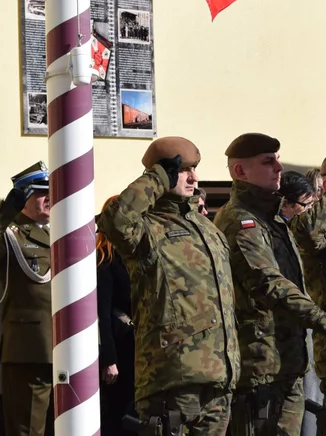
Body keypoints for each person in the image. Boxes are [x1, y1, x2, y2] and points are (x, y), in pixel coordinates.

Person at [215, 135, 326, 436]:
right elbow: (273, 286)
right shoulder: (242, 221)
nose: (279, 167)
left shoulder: (270, 218)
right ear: (240, 172)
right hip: (261, 368)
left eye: (277, 158)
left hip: (286, 362)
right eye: (268, 161)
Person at [97, 137, 239, 435]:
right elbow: (114, 221)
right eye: (182, 169)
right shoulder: (146, 227)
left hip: (219, 377)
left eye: (194, 169)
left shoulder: (205, 227)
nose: (193, 177)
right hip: (173, 379)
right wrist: (158, 177)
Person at [0, 162, 54, 436]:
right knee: (28, 428)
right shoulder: (11, 232)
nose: (49, 197)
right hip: (30, 348)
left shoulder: (63, 232)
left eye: (52, 190)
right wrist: (5, 211)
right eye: (41, 192)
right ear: (24, 198)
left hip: (68, 346)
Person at [97, 196, 135, 436]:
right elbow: (102, 311)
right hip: (120, 348)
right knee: (119, 414)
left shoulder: (133, 254)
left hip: (140, 348)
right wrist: (109, 360)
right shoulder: (105, 258)